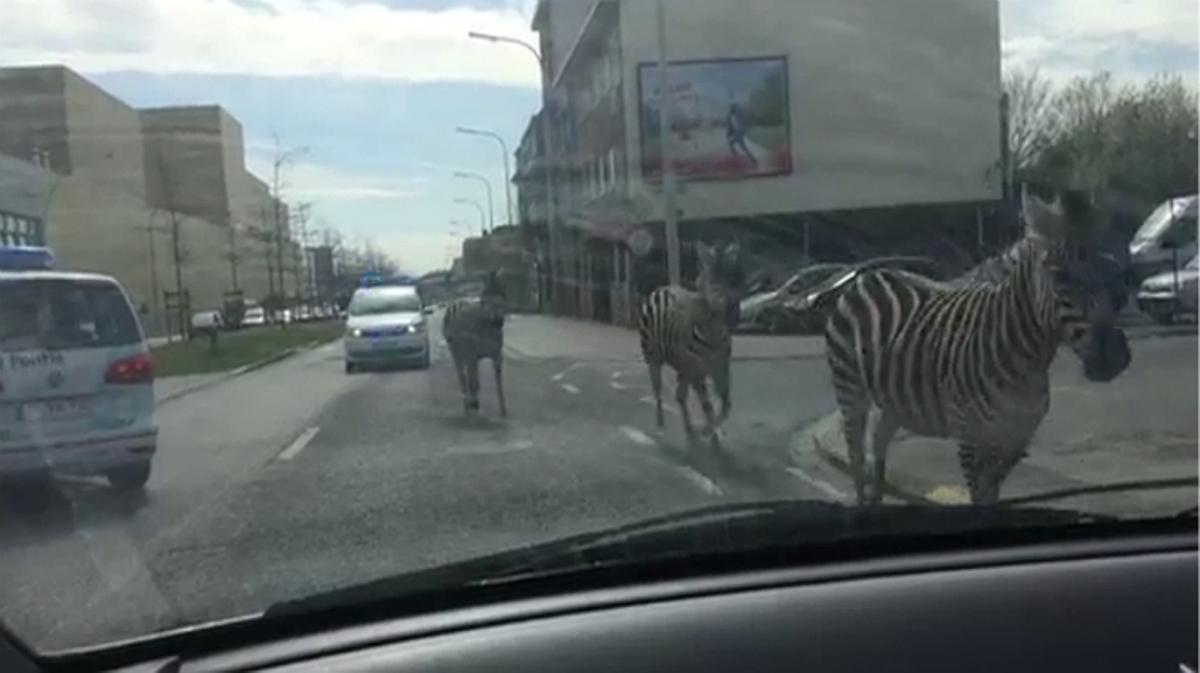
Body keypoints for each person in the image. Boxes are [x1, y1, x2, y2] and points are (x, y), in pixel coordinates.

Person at [725, 103, 758, 169]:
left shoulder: (734, 114)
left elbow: (732, 125)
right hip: (740, 131)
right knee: (732, 144)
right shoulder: (736, 114)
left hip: (739, 132)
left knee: (741, 146)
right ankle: (750, 159)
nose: (730, 110)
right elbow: (732, 125)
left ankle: (752, 160)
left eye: (731, 109)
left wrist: (730, 132)